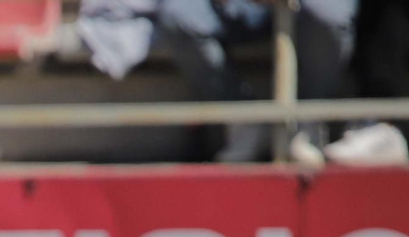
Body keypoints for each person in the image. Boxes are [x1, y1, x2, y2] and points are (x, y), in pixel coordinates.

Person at [152, 0, 358, 163]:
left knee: (329, 11)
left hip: (307, 9)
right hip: (235, 7)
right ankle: (244, 119)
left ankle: (305, 120)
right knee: (177, 13)